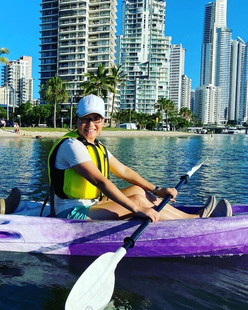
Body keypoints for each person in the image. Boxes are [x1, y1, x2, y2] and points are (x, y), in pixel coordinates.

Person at [48, 94, 232, 221]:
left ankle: (188, 216)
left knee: (138, 190)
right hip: (71, 212)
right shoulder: (71, 146)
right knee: (137, 201)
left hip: (93, 203)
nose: (90, 124)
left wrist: (157, 190)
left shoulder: (97, 146)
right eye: (84, 119)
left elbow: (124, 171)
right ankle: (196, 220)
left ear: (103, 121)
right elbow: (100, 181)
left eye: (96, 119)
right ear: (77, 120)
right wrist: (136, 209)